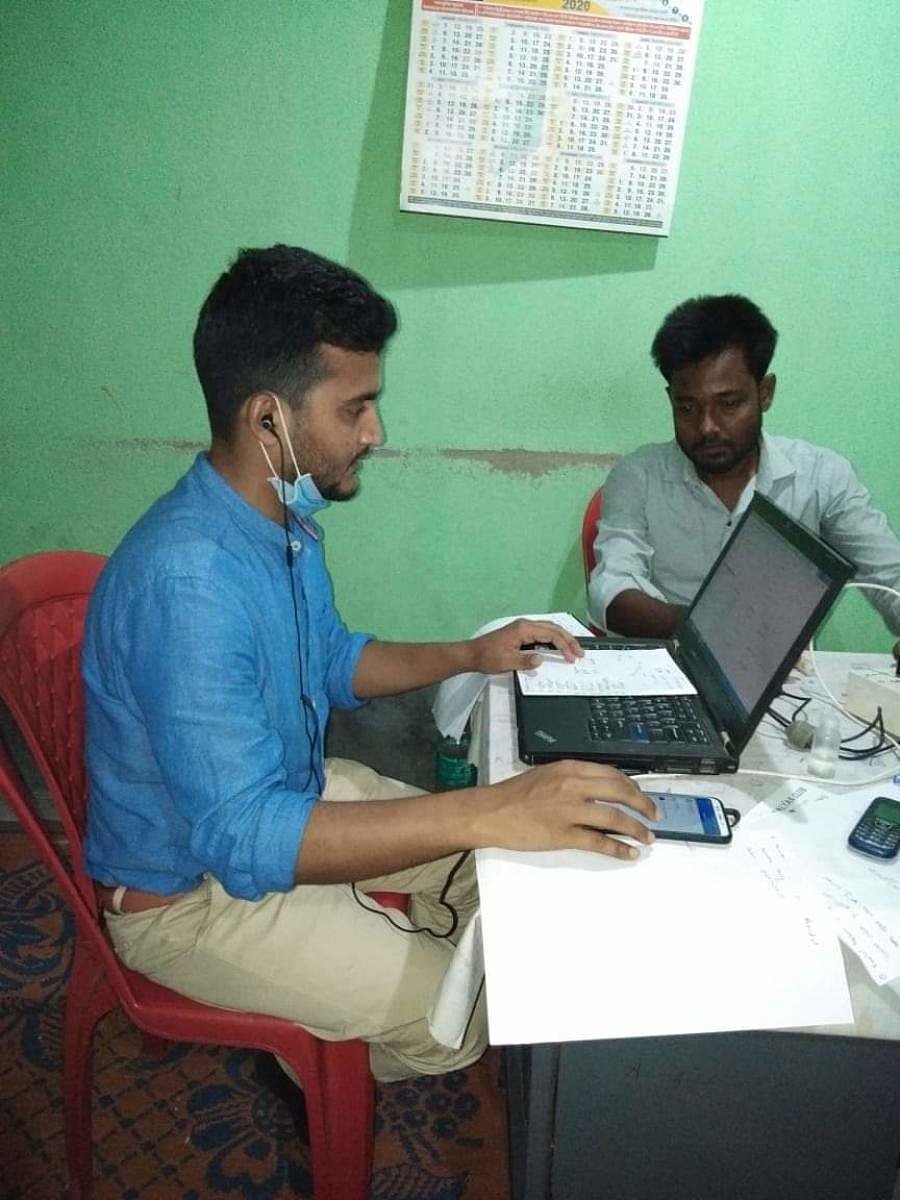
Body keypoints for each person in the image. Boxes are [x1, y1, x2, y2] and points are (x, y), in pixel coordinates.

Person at [83, 244, 659, 1085]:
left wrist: (473, 654)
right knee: (470, 1013)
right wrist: (488, 808)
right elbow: (245, 838)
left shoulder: (276, 519)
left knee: (494, 877)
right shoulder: (189, 584)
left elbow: (333, 661)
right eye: (356, 407)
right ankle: (301, 1065)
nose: (375, 432)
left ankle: (350, 956)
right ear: (269, 419)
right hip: (193, 895)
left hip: (282, 800)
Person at [588, 294, 900, 639]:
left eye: (729, 403)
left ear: (765, 392)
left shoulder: (821, 478)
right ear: (671, 399)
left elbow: (890, 575)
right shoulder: (638, 476)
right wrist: (709, 633)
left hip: (784, 682)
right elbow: (611, 589)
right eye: (687, 407)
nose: (708, 426)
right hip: (665, 665)